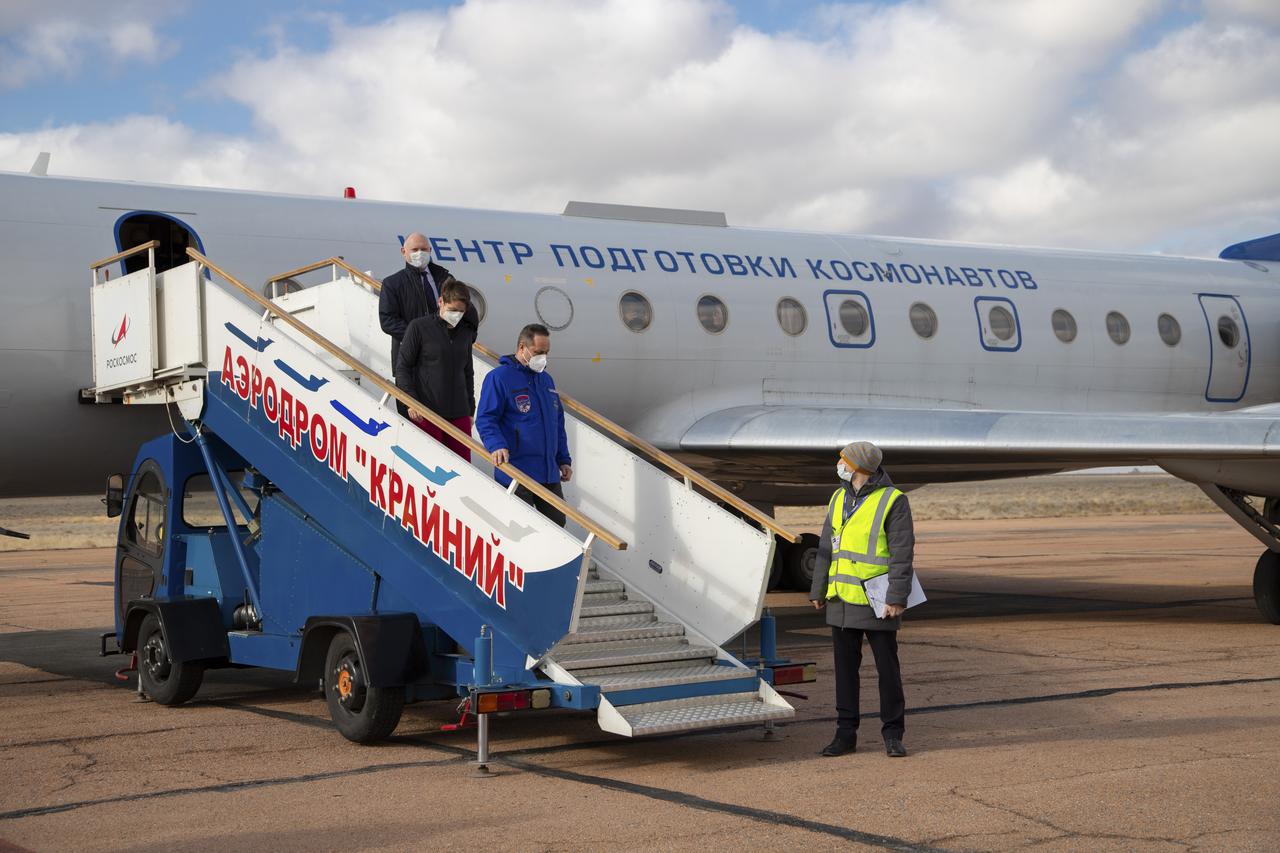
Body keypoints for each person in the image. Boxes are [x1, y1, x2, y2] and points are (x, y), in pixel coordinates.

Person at [809, 440, 914, 759]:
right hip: (841, 598)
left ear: (858, 466)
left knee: (887, 671)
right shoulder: (838, 497)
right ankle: (845, 734)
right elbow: (827, 547)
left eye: (843, 459)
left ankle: (893, 734)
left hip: (878, 601)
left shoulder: (893, 500)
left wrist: (896, 597)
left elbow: (901, 552)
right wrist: (818, 589)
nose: (838, 464)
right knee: (844, 672)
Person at [474, 323, 572, 526]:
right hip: (517, 470)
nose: (542, 358)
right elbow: (486, 418)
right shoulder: (499, 378)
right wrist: (496, 445)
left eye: (546, 352)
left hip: (548, 471)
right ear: (522, 348)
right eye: (538, 352)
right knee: (520, 527)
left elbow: (557, 423)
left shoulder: (546, 380)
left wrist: (564, 459)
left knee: (557, 524)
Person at [394, 280, 478, 462]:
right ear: (441, 302)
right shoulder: (419, 327)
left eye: (461, 312)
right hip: (427, 410)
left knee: (463, 467)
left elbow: (468, 372)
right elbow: (403, 367)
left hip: (459, 413)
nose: (456, 315)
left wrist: (470, 408)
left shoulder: (465, 333)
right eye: (453, 310)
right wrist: (411, 401)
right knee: (431, 464)